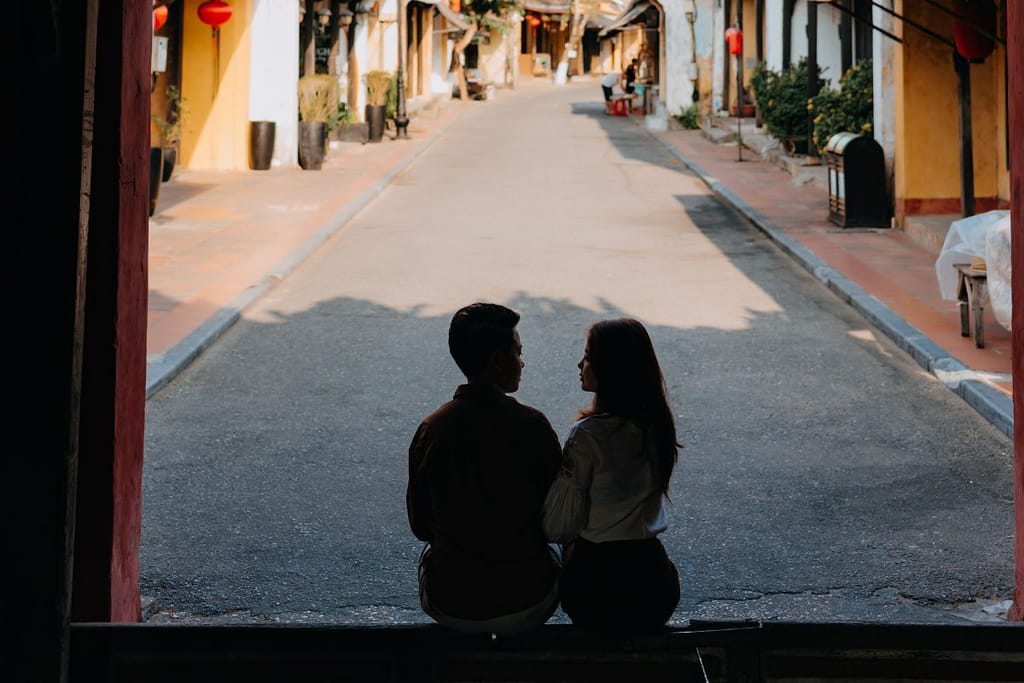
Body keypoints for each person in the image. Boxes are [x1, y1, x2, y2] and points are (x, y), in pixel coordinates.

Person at [407, 302, 563, 636]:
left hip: (451, 604)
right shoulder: (533, 426)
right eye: (518, 352)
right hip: (529, 601)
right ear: (497, 361)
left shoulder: (433, 429)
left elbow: (421, 526)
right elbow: (557, 519)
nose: (522, 362)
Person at [543, 318, 681, 634]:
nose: (580, 365)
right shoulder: (657, 425)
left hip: (595, 590)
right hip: (655, 589)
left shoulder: (587, 434)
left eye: (587, 357)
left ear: (609, 368)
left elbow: (560, 524)